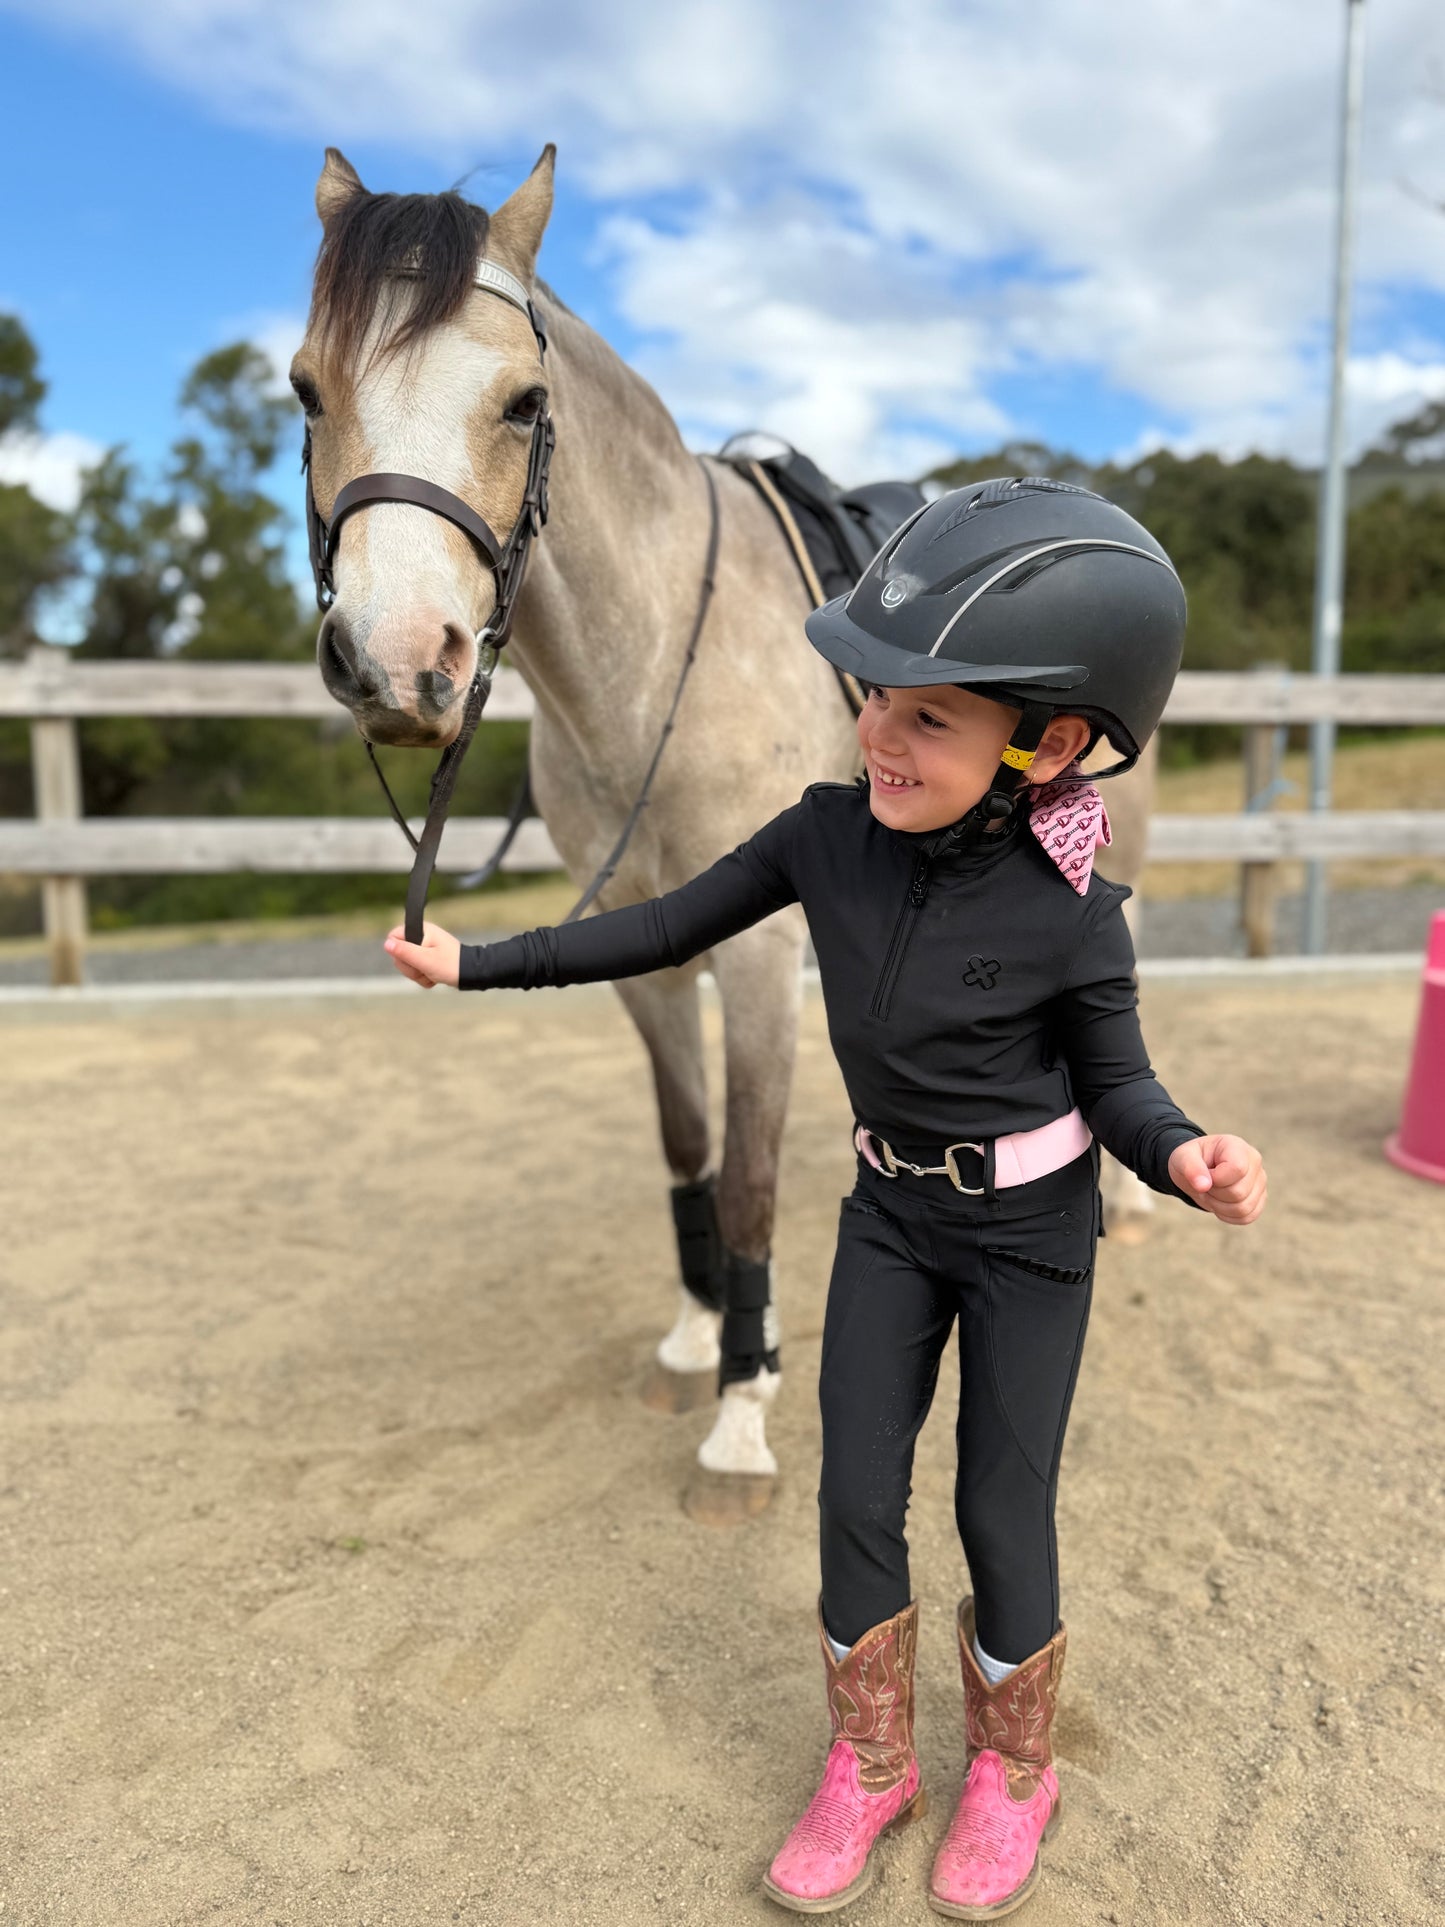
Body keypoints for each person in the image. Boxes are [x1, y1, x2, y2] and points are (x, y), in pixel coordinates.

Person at [383, 477, 1267, 1920]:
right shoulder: (818, 835)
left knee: (1000, 1504)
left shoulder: (1075, 910)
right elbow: (659, 925)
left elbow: (1118, 1081)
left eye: (930, 717)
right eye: (873, 698)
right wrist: (477, 963)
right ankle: (870, 1762)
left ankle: (1012, 1769)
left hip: (1031, 1238)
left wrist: (1180, 1155)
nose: (879, 735)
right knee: (854, 1492)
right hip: (888, 1218)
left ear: (1046, 743)